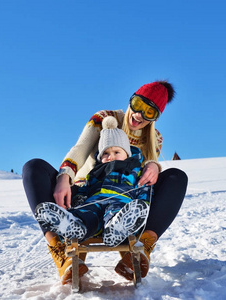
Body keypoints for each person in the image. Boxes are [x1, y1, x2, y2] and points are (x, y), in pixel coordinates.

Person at [22, 80, 188, 284]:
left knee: (177, 177)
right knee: (33, 167)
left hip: (123, 199)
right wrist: (64, 177)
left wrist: (154, 165)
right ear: (131, 100)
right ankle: (60, 249)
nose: (139, 115)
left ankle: (140, 250)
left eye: (149, 112)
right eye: (138, 105)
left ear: (156, 117)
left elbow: (140, 178)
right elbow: (80, 149)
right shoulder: (104, 119)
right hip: (84, 193)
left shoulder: (154, 138)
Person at [34, 116, 152, 248]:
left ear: (127, 154)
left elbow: (143, 188)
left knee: (116, 214)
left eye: (116, 152)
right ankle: (74, 227)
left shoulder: (135, 171)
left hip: (120, 203)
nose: (110, 156)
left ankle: (116, 229)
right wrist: (79, 198)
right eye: (105, 153)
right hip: (94, 203)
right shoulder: (95, 173)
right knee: (87, 215)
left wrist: (142, 205)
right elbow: (85, 188)